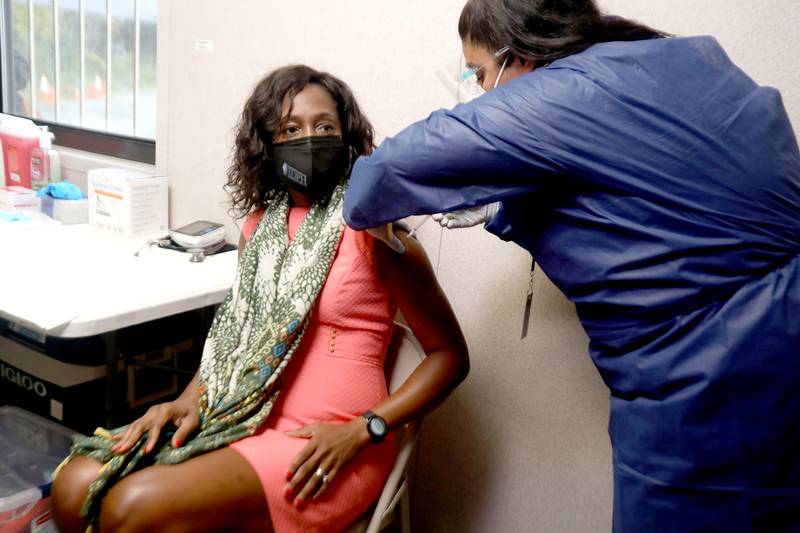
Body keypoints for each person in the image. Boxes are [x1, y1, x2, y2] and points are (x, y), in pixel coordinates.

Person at [342, 0, 800, 531]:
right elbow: (645, 207)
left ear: (521, 52)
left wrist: (369, 205)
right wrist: (506, 207)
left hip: (707, 374)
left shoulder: (557, 93)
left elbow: (379, 178)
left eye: (482, 74)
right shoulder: (686, 59)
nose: (481, 92)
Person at [51, 65, 469, 533]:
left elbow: (449, 357)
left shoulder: (377, 230)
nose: (310, 139)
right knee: (75, 486)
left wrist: (366, 428)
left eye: (325, 127)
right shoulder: (257, 230)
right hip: (244, 416)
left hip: (329, 445)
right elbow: (238, 337)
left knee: (132, 505)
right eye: (291, 129)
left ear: (348, 140)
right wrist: (189, 399)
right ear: (268, 147)